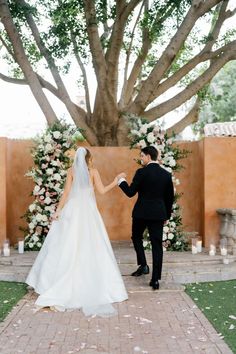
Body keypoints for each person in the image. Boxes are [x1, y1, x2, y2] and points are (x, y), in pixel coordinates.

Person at [26, 147, 128, 316]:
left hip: (72, 210)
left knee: (66, 244)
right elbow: (102, 191)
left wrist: (58, 210)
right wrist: (116, 180)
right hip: (88, 212)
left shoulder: (71, 170)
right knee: (91, 244)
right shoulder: (93, 172)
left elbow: (66, 193)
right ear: (89, 159)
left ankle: (54, 282)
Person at [117, 146, 174, 290]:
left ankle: (143, 265)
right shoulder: (166, 175)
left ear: (148, 156)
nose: (141, 158)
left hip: (141, 214)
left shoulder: (141, 172)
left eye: (142, 156)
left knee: (136, 237)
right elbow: (169, 199)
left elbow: (130, 192)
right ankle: (155, 280)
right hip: (158, 214)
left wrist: (121, 181)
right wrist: (166, 215)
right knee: (157, 246)